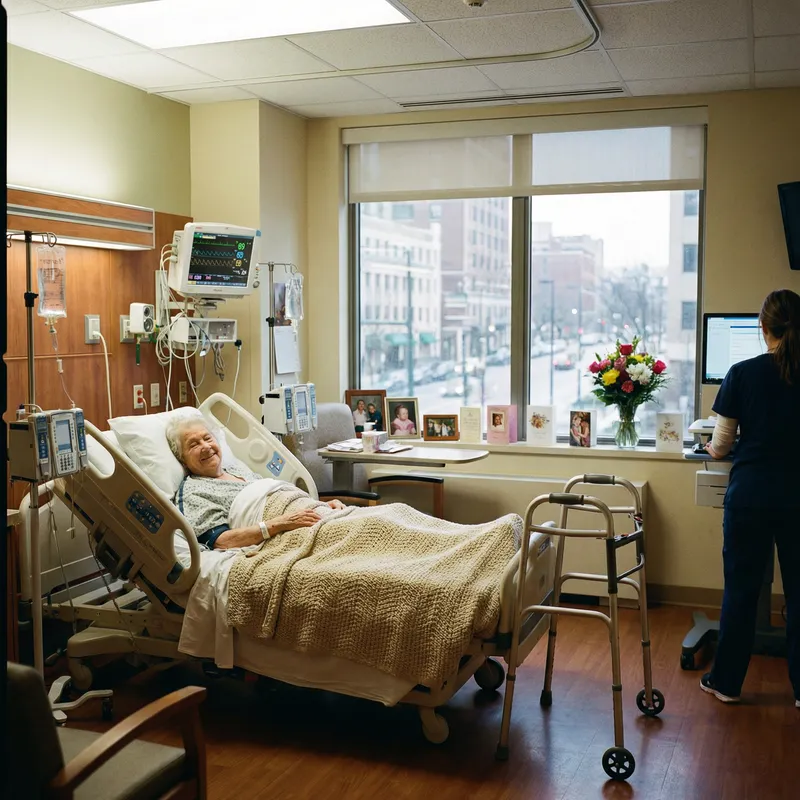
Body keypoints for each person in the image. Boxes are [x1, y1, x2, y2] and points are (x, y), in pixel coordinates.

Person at [702, 288, 800, 706]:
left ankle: (726, 683)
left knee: (741, 589)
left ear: (763, 328)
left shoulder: (742, 373)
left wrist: (708, 448)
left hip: (751, 497)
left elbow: (721, 446)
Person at [166, 418, 345, 550]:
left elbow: (281, 499)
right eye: (194, 444)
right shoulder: (193, 491)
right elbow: (220, 540)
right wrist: (280, 523)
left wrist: (320, 505)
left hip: (308, 514)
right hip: (286, 530)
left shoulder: (238, 470)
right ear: (183, 460)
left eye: (207, 438)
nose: (205, 446)